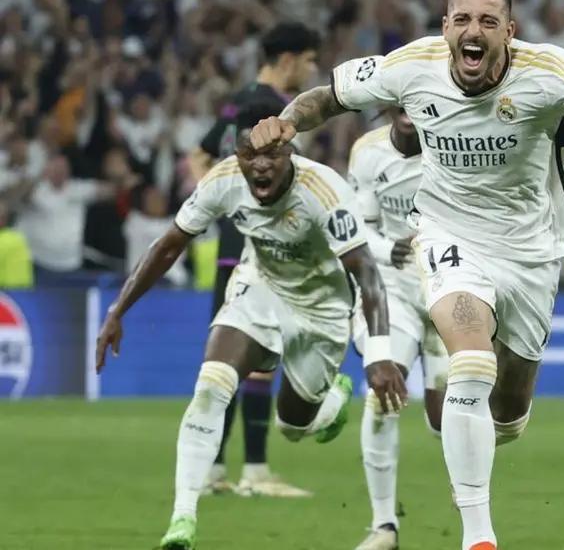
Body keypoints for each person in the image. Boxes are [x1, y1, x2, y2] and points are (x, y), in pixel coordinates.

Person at [248, 0, 564, 550]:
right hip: (447, 233)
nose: (473, 30)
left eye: (488, 21)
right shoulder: (413, 65)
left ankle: (481, 444)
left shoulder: (553, 74)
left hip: (533, 251)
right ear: (446, 28)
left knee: (507, 417)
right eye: (462, 19)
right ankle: (478, 538)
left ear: (509, 32)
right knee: (470, 362)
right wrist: (287, 120)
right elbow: (328, 98)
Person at [95, 104, 407, 550]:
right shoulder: (223, 180)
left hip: (321, 311)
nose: (260, 164)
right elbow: (168, 246)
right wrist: (116, 311)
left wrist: (377, 356)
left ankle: (331, 400)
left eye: (272, 155)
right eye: (249, 154)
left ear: (291, 154)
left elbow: (367, 273)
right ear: (237, 155)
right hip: (258, 290)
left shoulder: (323, 190)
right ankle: (182, 519)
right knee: (211, 385)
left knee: (292, 426)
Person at [190, 22, 321, 498]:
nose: (311, 70)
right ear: (288, 59)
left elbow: (199, 154)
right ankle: (251, 470)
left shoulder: (236, 100)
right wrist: (231, 201)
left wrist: (216, 200)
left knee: (233, 358)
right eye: (309, 60)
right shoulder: (267, 110)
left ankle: (220, 468)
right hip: (255, 246)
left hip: (239, 244)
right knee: (250, 357)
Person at [347, 109, 449, 550]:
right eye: (402, 102)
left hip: (452, 286)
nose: (411, 113)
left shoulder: (457, 147)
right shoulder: (368, 153)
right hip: (395, 287)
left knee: (448, 419)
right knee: (381, 398)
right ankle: (383, 526)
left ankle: (477, 525)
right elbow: (358, 228)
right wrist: (392, 250)